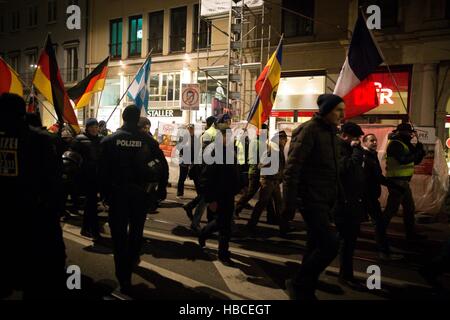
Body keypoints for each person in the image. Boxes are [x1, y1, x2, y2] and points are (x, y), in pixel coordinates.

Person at [0, 93, 66, 299]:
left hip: (7, 218)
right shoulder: (42, 140)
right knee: (38, 280)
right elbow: (55, 181)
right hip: (35, 217)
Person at [282, 94, 344, 300]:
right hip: (311, 199)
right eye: (338, 110)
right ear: (326, 110)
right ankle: (300, 283)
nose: (342, 114)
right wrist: (289, 203)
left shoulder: (332, 133)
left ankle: (305, 287)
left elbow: (333, 171)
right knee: (330, 244)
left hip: (326, 199)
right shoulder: (310, 130)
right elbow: (292, 168)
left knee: (315, 244)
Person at [99, 105, 157, 293]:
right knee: (136, 232)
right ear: (137, 118)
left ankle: (122, 275)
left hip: (117, 195)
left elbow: (101, 171)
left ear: (123, 117)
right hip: (140, 195)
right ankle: (132, 260)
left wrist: (104, 194)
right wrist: (157, 191)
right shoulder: (147, 140)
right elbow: (160, 167)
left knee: (118, 236)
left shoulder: (109, 141)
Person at [197, 123, 241, 266]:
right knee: (224, 226)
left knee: (224, 224)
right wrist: (210, 199)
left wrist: (240, 186)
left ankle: (204, 233)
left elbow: (234, 172)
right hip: (217, 194)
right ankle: (223, 254)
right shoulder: (213, 152)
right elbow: (206, 177)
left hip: (228, 194)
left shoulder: (230, 151)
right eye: (226, 135)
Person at [334, 122, 366, 289]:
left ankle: (344, 274)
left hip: (352, 201)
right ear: (345, 135)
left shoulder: (347, 148)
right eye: (355, 138)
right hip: (343, 202)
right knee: (346, 242)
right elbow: (347, 168)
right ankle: (345, 276)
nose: (358, 141)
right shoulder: (340, 149)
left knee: (346, 241)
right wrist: (357, 150)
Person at [362, 134, 403, 261]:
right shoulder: (365, 157)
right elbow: (376, 177)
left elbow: (378, 175)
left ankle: (384, 250)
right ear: (364, 142)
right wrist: (393, 185)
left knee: (375, 223)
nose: (375, 142)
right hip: (366, 196)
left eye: (376, 140)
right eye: (371, 140)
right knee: (378, 223)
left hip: (370, 195)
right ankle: (384, 252)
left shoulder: (372, 155)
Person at [384, 123, 426, 241]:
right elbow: (403, 160)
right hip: (396, 181)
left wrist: (419, 148)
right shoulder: (395, 144)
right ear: (402, 132)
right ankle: (380, 232)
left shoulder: (405, 143)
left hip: (403, 182)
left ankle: (410, 235)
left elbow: (415, 160)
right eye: (409, 132)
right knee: (392, 209)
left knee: (409, 208)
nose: (411, 135)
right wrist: (417, 152)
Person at [247, 131, 288, 231]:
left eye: (285, 139)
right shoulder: (272, 150)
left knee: (279, 203)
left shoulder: (279, 150)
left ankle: (283, 226)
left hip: (275, 181)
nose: (285, 141)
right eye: (283, 139)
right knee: (262, 203)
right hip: (268, 180)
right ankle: (251, 224)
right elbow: (261, 164)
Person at [72, 118, 103, 240]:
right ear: (87, 128)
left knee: (91, 203)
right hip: (85, 175)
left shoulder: (101, 139)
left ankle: (86, 228)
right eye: (92, 126)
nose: (94, 128)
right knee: (91, 203)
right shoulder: (79, 140)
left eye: (96, 126)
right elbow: (73, 156)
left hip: (97, 175)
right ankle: (93, 231)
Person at [234, 124, 269, 216]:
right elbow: (256, 159)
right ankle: (236, 209)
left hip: (258, 171)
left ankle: (272, 217)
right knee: (250, 193)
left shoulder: (258, 142)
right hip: (256, 172)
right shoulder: (258, 143)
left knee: (268, 195)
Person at [137, 116, 169, 212]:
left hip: (147, 179)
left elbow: (163, 164)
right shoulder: (127, 139)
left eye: (147, 128)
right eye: (143, 128)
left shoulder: (151, 142)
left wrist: (162, 186)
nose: (146, 130)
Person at [176, 124, 195, 198]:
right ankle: (180, 193)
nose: (190, 130)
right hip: (184, 159)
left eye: (192, 129)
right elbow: (179, 147)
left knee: (195, 176)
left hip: (193, 159)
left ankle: (200, 194)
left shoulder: (195, 138)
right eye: (189, 129)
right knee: (182, 177)